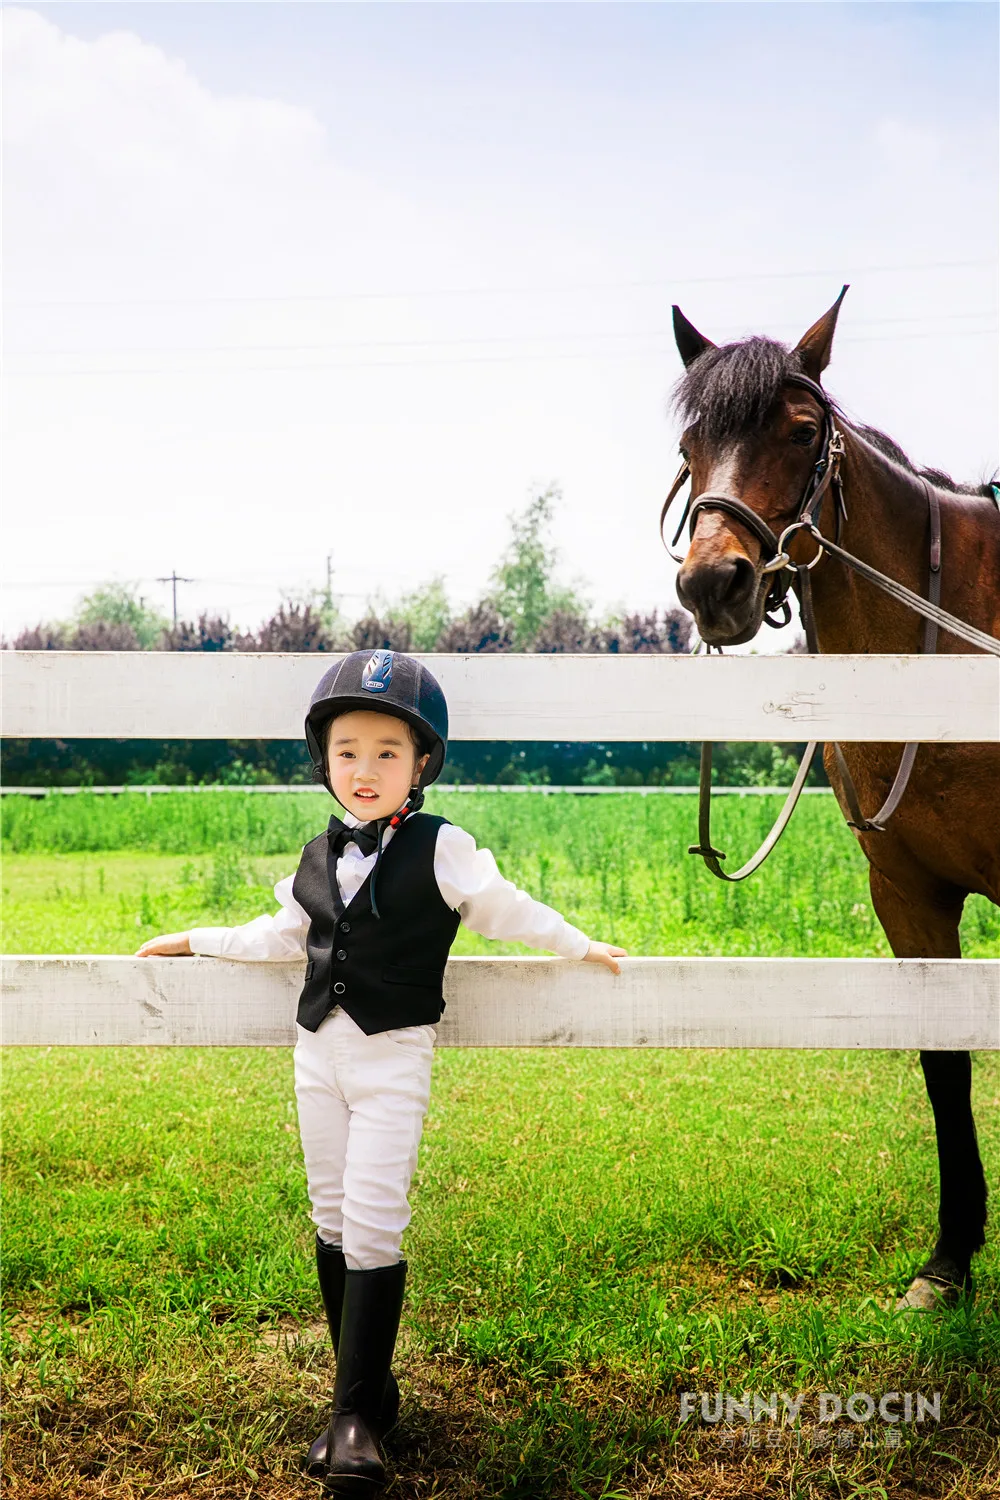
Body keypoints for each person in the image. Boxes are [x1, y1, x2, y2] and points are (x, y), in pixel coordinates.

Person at [138, 649, 626, 1497]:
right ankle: (362, 1395)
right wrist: (195, 938)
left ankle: (355, 1422)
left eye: (387, 753)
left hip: (393, 1055)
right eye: (348, 752)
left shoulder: (444, 848)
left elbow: (506, 908)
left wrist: (577, 944)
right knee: (329, 1214)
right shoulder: (317, 853)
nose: (365, 771)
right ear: (324, 762)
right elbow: (278, 934)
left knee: (373, 1216)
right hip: (316, 1054)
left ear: (422, 763)